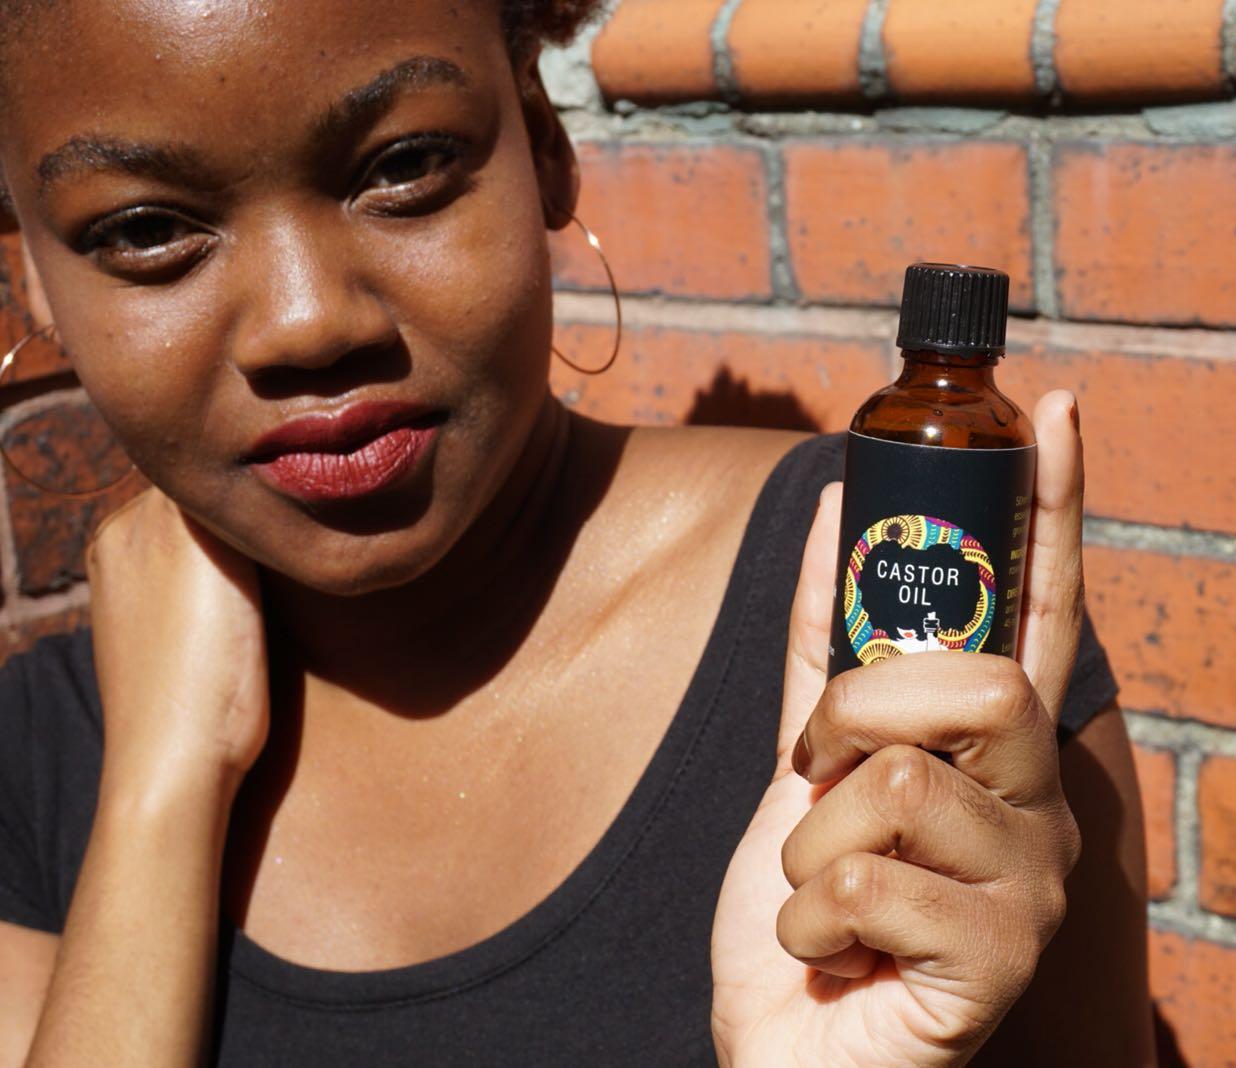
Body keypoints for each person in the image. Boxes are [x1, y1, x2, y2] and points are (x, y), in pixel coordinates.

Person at [0, 1, 1155, 1064]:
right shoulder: (40, 752)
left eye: (403, 167)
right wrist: (158, 795)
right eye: (145, 229)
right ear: (35, 278)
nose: (307, 322)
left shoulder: (894, 614)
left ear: (543, 143)